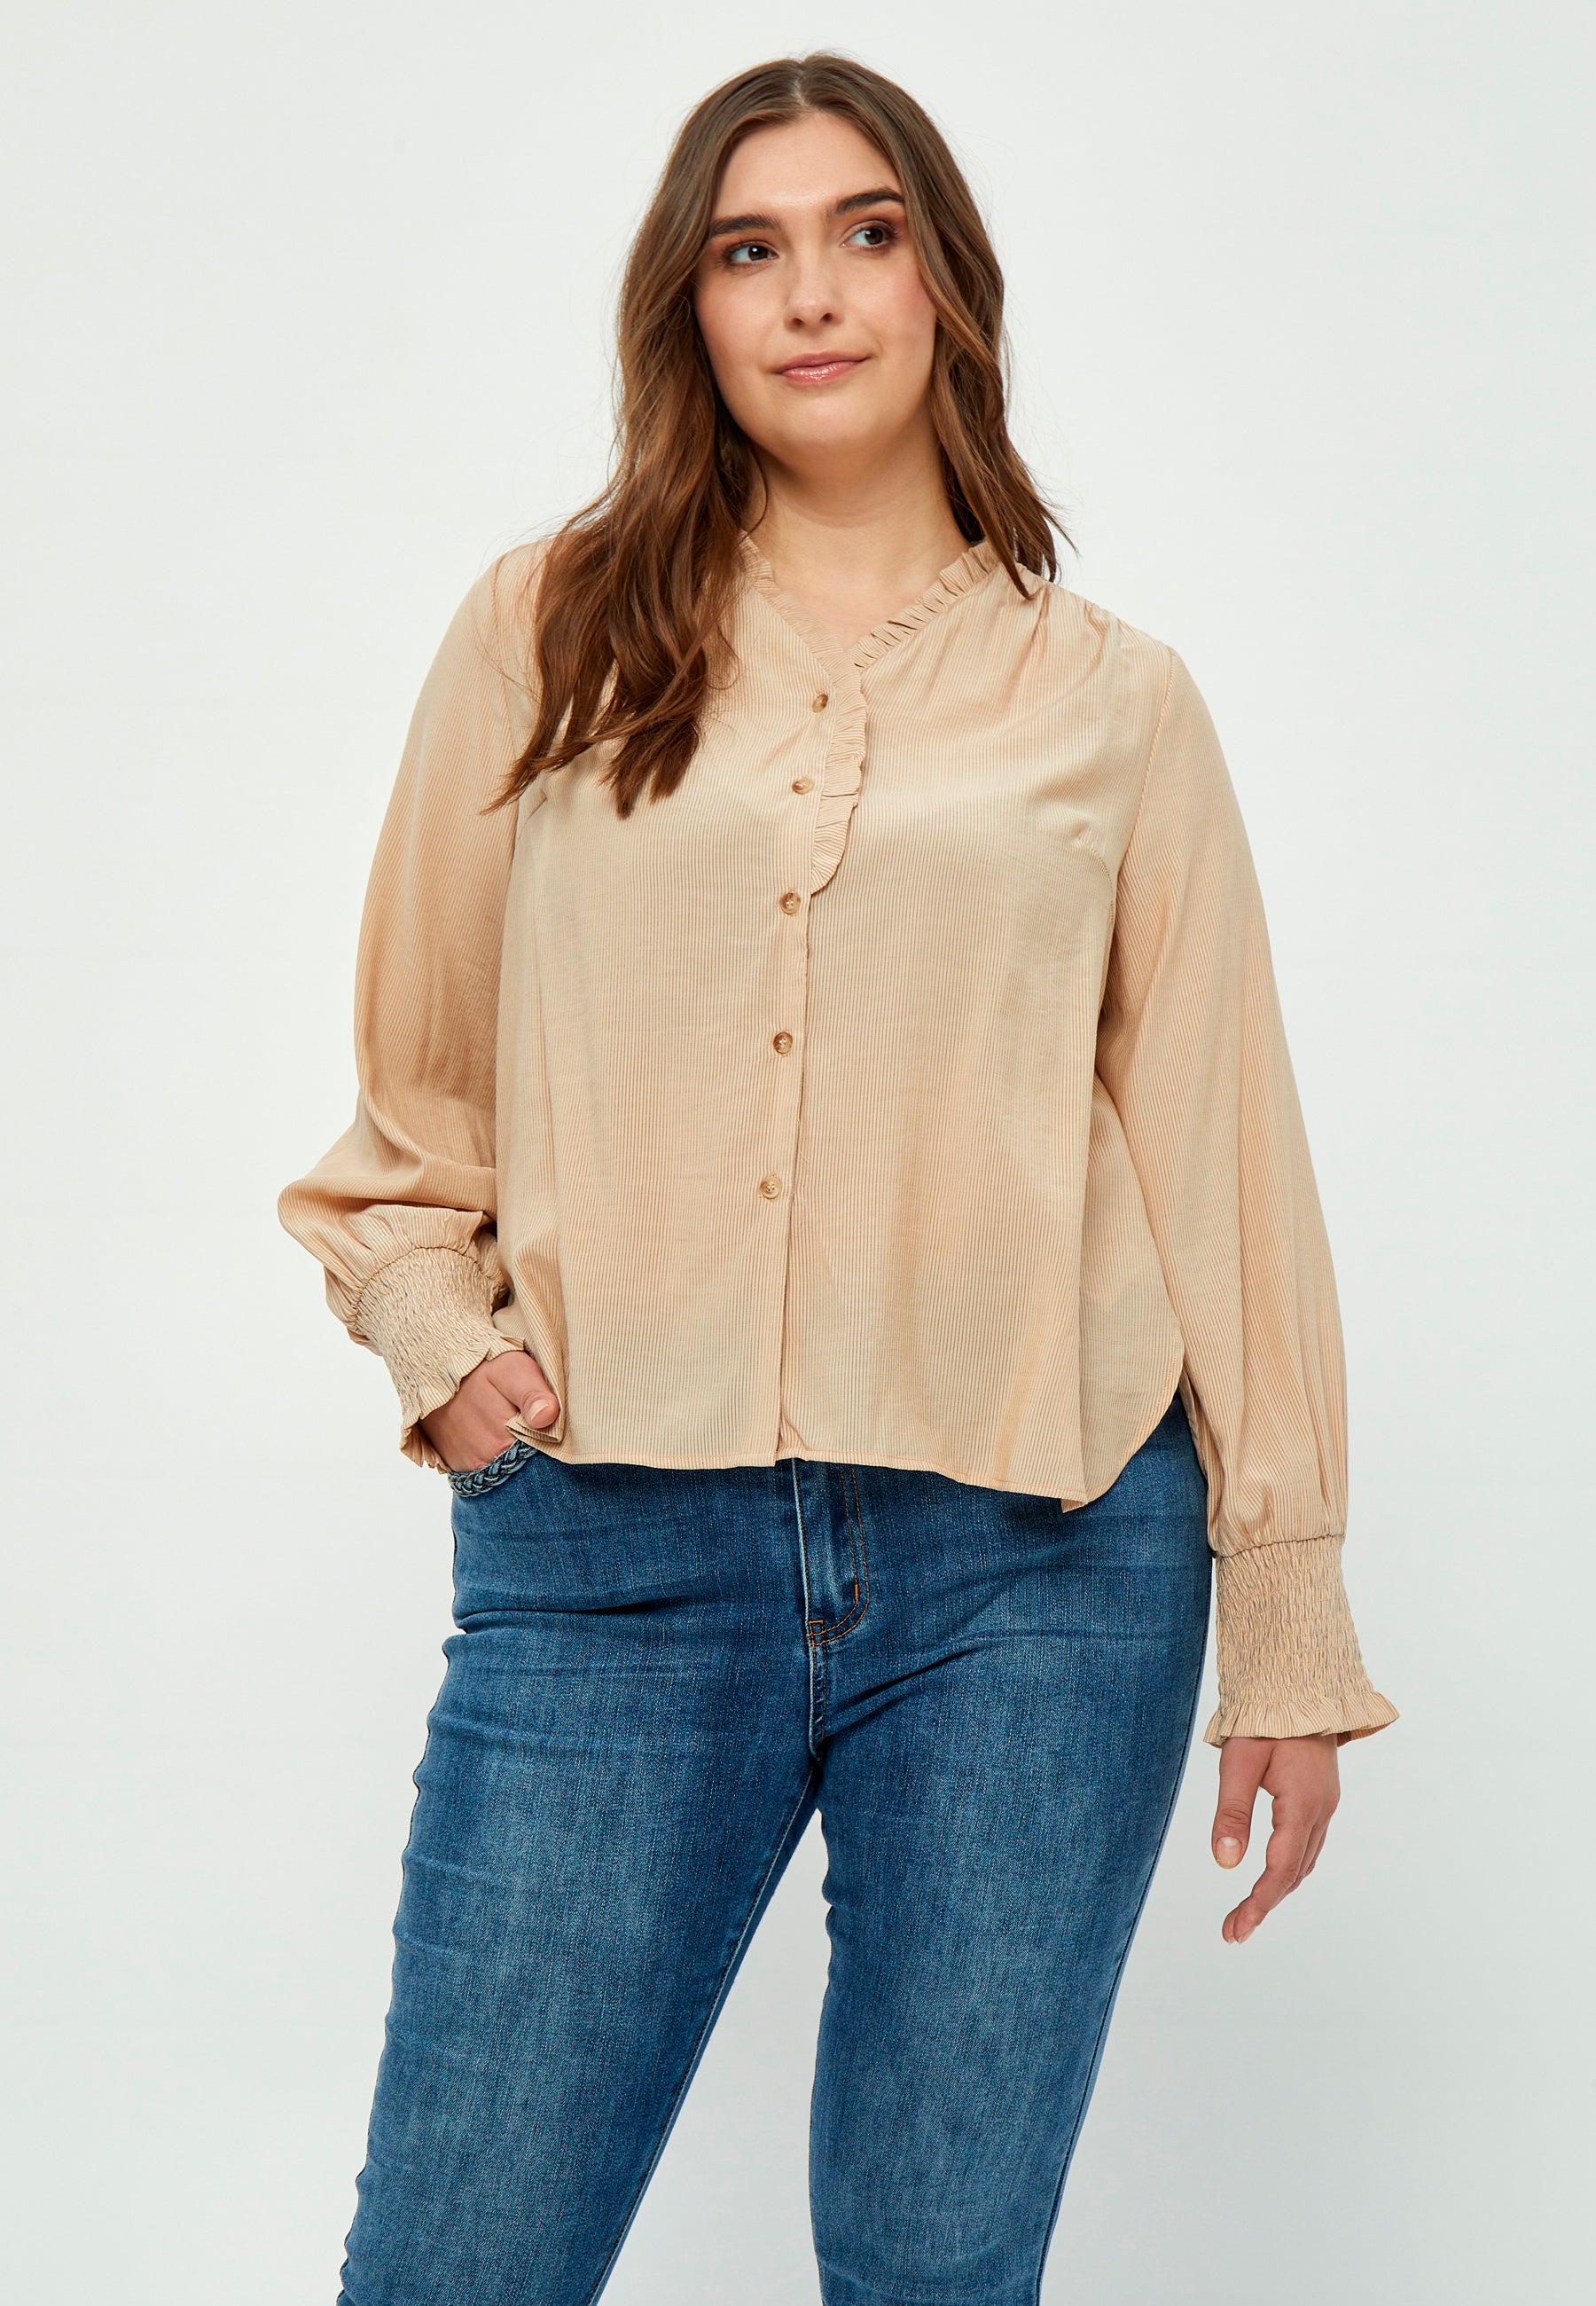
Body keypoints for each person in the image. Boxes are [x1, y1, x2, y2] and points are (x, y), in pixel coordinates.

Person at [278, 51, 1397, 2306]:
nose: (812, 294)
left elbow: (1222, 1155)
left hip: (1041, 1567)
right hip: (613, 1546)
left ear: (946, 284)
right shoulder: (545, 632)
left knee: (932, 2269)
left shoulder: (1114, 702)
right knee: (458, 2261)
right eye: (750, 248)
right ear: (688, 307)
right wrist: (436, 1332)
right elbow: (416, 1101)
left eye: (866, 234)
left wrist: (1284, 1612)